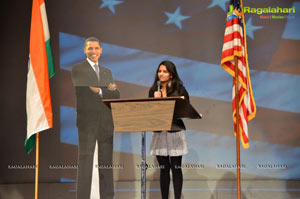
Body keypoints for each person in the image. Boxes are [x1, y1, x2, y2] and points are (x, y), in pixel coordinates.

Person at [71, 37, 120, 199]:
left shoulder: (107, 71)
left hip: (106, 121)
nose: (93, 52)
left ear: (101, 50)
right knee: (85, 161)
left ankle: (107, 196)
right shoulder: (78, 69)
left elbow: (116, 94)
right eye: (90, 48)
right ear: (84, 50)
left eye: (96, 48)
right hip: (87, 122)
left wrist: (100, 91)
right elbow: (87, 89)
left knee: (106, 162)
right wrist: (106, 89)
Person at [148, 60, 189, 199]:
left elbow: (185, 109)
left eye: (165, 71)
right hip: (160, 132)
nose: (161, 74)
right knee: (163, 169)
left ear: (171, 74)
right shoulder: (154, 90)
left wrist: (165, 100)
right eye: (159, 71)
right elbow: (149, 112)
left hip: (175, 131)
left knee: (176, 168)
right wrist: (155, 102)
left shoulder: (179, 89)